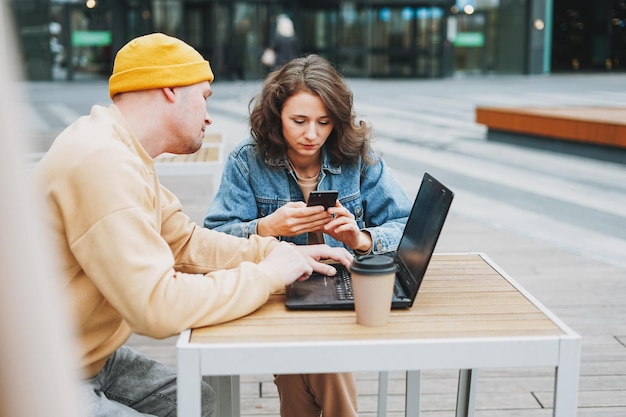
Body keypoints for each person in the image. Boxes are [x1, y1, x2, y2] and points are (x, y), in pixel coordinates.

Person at [31, 34, 353, 417]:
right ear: (169, 89)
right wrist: (267, 275)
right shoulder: (101, 161)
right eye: (204, 96)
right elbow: (157, 306)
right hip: (36, 373)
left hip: (86, 356)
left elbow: (184, 243)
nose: (208, 115)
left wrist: (279, 251)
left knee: (199, 401)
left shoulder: (120, 150)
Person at [204, 54, 413, 417]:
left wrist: (361, 239)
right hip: (276, 294)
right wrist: (266, 228)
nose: (312, 134)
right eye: (298, 121)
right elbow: (214, 237)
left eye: (324, 122)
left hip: (340, 291)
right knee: (324, 362)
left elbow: (407, 227)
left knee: (310, 368)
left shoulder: (356, 157)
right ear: (275, 116)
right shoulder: (247, 161)